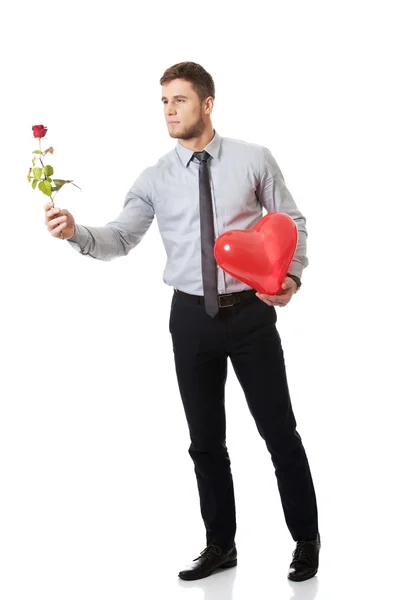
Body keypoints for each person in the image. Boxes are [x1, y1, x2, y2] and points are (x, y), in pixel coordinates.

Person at [44, 61, 320, 583]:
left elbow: (292, 223)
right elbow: (121, 238)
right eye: (164, 101)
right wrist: (75, 232)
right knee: (204, 441)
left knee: (279, 433)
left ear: (207, 103)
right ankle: (221, 545)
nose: (170, 109)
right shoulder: (155, 178)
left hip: (251, 316)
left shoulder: (253, 159)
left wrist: (291, 278)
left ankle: (306, 540)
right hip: (190, 319)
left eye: (180, 99)